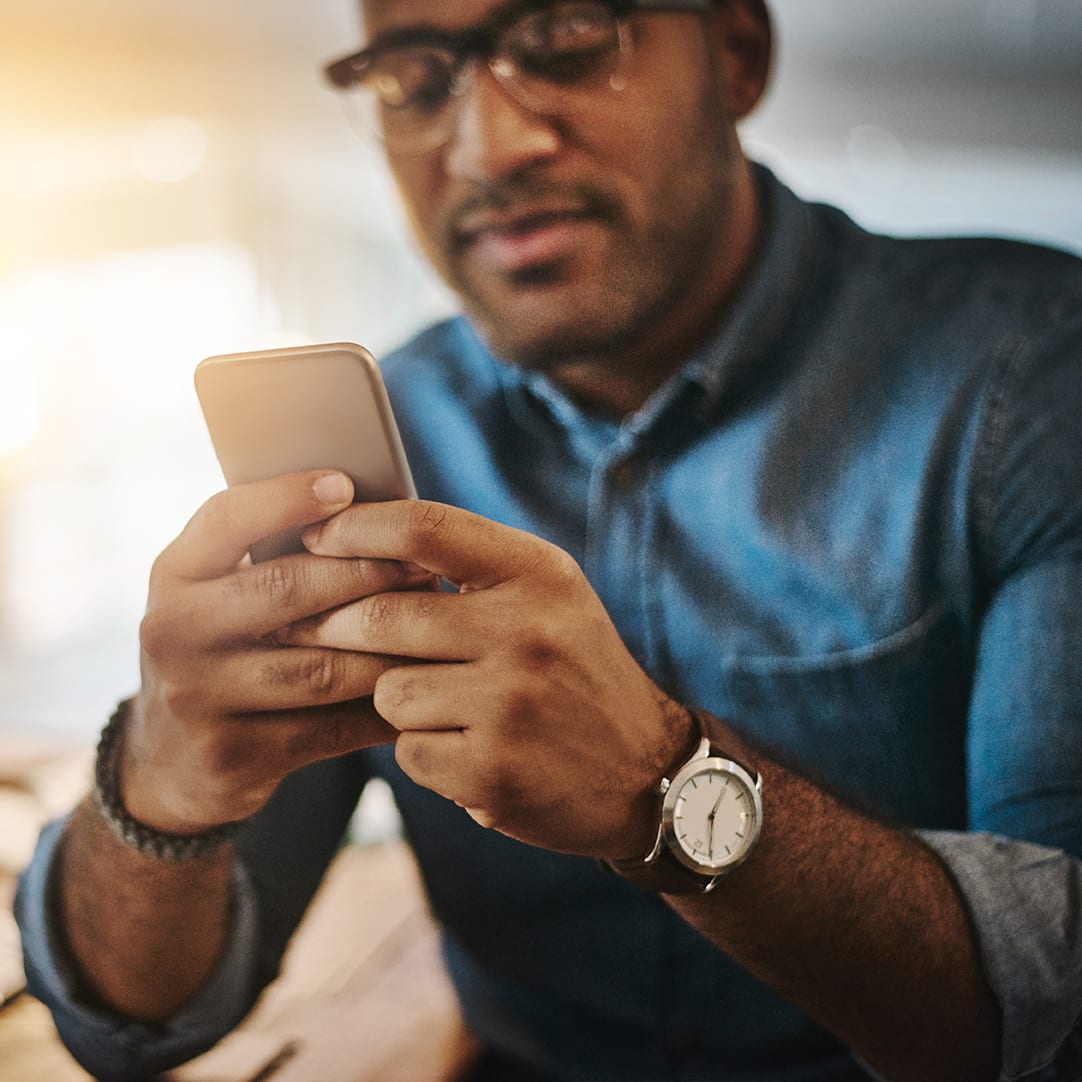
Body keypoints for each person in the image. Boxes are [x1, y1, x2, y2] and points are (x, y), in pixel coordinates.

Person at [14, 0, 1082, 1078]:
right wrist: (159, 783)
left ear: (735, 54)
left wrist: (663, 787)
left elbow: (1061, 999)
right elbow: (131, 1024)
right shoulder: (378, 443)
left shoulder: (1036, 376)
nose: (486, 144)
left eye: (568, 38)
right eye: (410, 77)